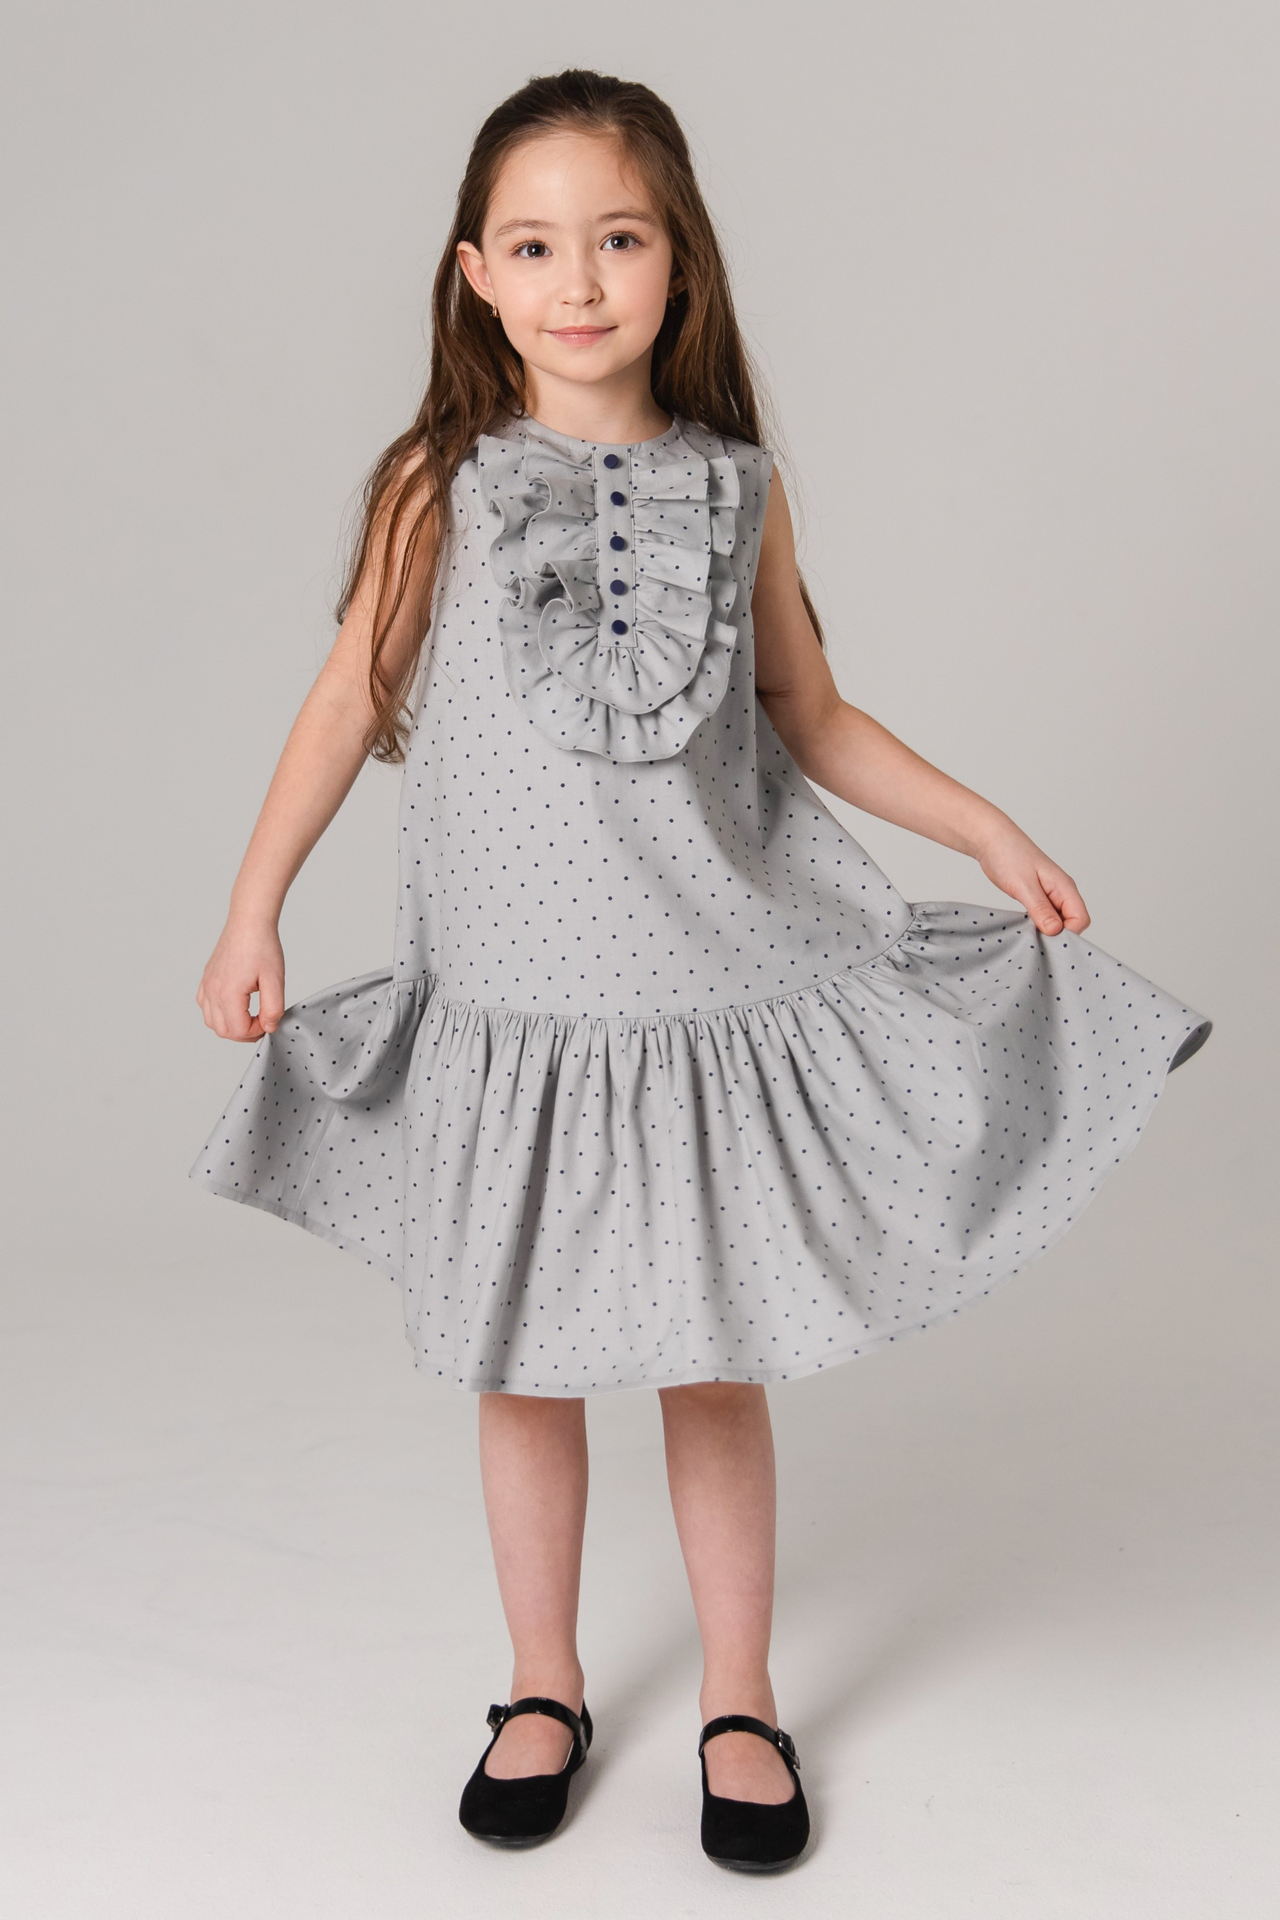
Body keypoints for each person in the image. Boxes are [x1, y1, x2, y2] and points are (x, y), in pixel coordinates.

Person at [187, 68, 1212, 1871]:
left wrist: (982, 828)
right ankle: (540, 1682)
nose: (578, 279)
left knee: (713, 1361)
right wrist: (253, 904)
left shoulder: (738, 491)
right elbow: (348, 701)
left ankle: (742, 1695)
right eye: (533, 246)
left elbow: (811, 713)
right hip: (519, 1014)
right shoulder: (438, 487)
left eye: (618, 239)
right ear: (475, 276)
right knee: (524, 1368)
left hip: (702, 997)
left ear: (680, 263)